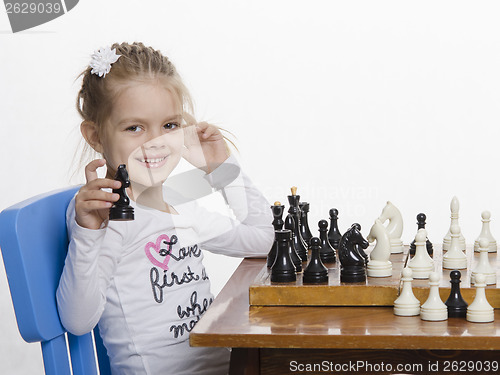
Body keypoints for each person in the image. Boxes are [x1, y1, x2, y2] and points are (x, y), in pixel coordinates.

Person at [56, 42, 274, 375]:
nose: (155, 141)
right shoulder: (107, 213)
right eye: (134, 128)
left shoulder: (178, 199)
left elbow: (267, 240)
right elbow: (78, 320)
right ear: (96, 136)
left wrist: (222, 169)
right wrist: (88, 232)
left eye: (169, 125)